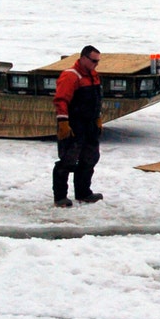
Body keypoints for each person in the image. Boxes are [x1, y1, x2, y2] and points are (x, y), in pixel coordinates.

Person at [52, 45, 105, 207]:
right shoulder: (70, 76)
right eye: (93, 61)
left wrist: (97, 119)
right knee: (68, 160)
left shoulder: (93, 76)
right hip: (74, 124)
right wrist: (63, 123)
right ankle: (60, 197)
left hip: (90, 125)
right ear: (83, 58)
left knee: (90, 158)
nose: (96, 64)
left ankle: (83, 193)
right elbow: (61, 100)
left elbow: (96, 101)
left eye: (98, 61)